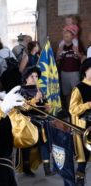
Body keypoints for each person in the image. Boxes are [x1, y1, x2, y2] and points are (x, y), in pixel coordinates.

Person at [17, 66, 55, 177]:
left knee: (44, 144)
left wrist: (48, 107)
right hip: (29, 122)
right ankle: (26, 168)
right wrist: (35, 99)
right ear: (26, 78)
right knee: (28, 146)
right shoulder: (22, 90)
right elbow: (24, 108)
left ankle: (47, 170)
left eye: (36, 76)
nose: (34, 78)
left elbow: (45, 105)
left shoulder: (40, 90)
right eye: (32, 76)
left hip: (42, 121)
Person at [69, 57, 91, 186]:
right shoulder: (79, 88)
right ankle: (80, 179)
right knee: (83, 156)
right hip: (84, 127)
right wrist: (87, 105)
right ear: (85, 71)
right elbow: (72, 110)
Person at [57, 26, 84, 109]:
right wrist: (58, 54)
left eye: (67, 36)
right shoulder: (61, 46)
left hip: (74, 73)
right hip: (64, 73)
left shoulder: (77, 45)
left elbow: (83, 57)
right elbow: (57, 59)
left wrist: (77, 53)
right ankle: (70, 109)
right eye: (64, 36)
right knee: (66, 93)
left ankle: (77, 109)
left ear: (72, 37)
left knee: (76, 93)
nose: (65, 38)